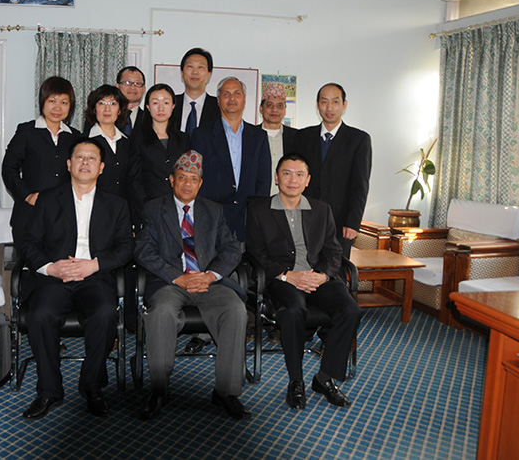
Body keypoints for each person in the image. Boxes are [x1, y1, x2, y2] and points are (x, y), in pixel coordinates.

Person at [20, 137, 134, 419]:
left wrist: (93, 265)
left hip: (94, 278)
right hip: (54, 279)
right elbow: (29, 244)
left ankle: (92, 385)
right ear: (69, 164)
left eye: (92, 158)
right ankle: (48, 390)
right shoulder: (47, 199)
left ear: (102, 167)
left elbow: (126, 248)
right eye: (79, 157)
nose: (85, 162)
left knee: (106, 312)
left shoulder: (117, 204)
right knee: (40, 314)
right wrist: (50, 267)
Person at [134, 150, 249, 421]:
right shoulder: (153, 209)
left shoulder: (213, 209)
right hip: (171, 281)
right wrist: (177, 276)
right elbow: (143, 250)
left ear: (200, 183)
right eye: (182, 178)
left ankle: (226, 392)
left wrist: (211, 275)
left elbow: (233, 248)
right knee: (161, 313)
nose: (188, 184)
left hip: (208, 281)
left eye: (193, 179)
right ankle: (160, 390)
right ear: (171, 180)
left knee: (235, 310)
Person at [245, 153, 361, 410]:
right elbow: (255, 254)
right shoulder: (259, 210)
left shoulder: (321, 210)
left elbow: (333, 250)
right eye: (286, 173)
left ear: (308, 180)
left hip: (317, 278)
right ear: (277, 178)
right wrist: (288, 275)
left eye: (299, 175)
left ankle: (325, 378)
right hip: (282, 280)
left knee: (350, 309)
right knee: (293, 311)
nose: (293, 180)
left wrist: (321, 275)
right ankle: (295, 381)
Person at [2, 76, 81, 255]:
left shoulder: (76, 137)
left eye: (63, 102)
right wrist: (26, 195)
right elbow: (9, 168)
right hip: (30, 215)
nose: (57, 107)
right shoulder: (26, 132)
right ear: (42, 101)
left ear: (70, 106)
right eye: (52, 101)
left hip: (64, 217)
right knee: (32, 271)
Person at [293, 83, 372, 258]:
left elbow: (360, 185)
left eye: (335, 102)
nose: (329, 108)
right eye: (324, 102)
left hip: (340, 223)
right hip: (305, 219)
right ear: (317, 105)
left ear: (344, 105)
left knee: (336, 276)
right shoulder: (303, 137)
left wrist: (353, 223)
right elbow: (295, 179)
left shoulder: (359, 140)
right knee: (304, 272)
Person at [191, 76, 271, 242]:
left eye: (237, 93)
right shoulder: (202, 135)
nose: (232, 98)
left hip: (248, 220)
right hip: (213, 220)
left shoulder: (259, 137)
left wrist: (258, 215)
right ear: (219, 101)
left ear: (244, 100)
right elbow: (197, 178)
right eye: (226, 94)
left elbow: (263, 180)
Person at [130, 83, 191, 222]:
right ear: (147, 107)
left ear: (173, 106)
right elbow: (134, 180)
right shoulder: (138, 138)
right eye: (155, 103)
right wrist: (146, 208)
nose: (161, 108)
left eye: (166, 102)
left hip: (179, 212)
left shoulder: (183, 139)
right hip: (149, 210)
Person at [84, 84, 138, 204]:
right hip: (93, 207)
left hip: (122, 209)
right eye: (102, 103)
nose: (107, 109)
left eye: (113, 104)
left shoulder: (127, 143)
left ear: (119, 110)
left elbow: (133, 181)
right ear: (94, 109)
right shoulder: (84, 142)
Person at [170, 48, 220, 135]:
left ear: (209, 75)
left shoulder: (220, 107)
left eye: (200, 67)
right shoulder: (169, 104)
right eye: (190, 67)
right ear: (182, 73)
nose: (195, 72)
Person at [259, 83, 297, 196]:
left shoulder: (296, 137)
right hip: (258, 202)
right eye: (269, 105)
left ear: (285, 109)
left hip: (288, 201)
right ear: (261, 109)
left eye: (280, 106)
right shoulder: (250, 136)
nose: (274, 109)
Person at [116, 66, 147, 137]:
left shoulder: (150, 119)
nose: (132, 87)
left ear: (143, 89)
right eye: (127, 82)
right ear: (117, 86)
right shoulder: (104, 115)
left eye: (137, 83)